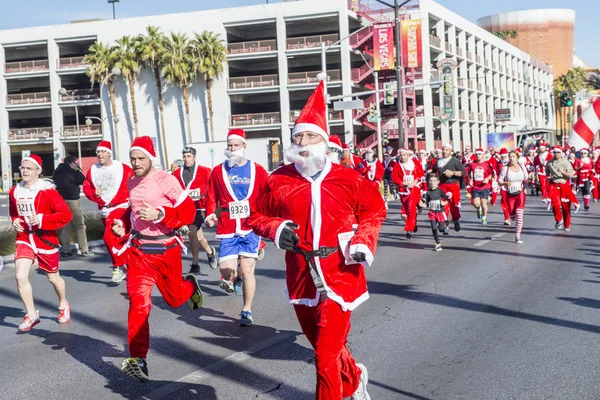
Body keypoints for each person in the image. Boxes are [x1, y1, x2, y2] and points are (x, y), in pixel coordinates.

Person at [248, 81, 386, 400]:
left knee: (323, 360)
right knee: (327, 349)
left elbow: (374, 210)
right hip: (301, 277)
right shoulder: (279, 179)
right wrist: (275, 228)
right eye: (298, 136)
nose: (303, 142)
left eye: (310, 135)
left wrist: (363, 240)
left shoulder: (348, 179)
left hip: (340, 273)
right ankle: (353, 379)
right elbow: (255, 216)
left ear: (324, 142)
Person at [116, 136, 204, 383]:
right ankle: (138, 359)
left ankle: (191, 286)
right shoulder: (131, 182)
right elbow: (130, 212)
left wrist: (161, 213)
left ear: (150, 159)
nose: (135, 163)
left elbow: (188, 212)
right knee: (139, 304)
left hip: (166, 251)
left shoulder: (166, 180)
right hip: (139, 252)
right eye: (132, 158)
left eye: (140, 158)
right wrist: (120, 224)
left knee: (175, 299)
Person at [204, 129, 268, 327]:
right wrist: (209, 213)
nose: (232, 149)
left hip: (250, 227)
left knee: (248, 270)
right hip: (228, 226)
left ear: (244, 146)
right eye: (229, 145)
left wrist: (266, 222)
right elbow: (211, 196)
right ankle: (234, 278)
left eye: (236, 145)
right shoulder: (217, 171)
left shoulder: (258, 170)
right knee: (226, 271)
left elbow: (267, 198)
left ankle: (246, 309)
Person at [9, 155, 72, 332]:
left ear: (39, 171)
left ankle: (62, 303)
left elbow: (66, 215)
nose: (24, 171)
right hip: (24, 238)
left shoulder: (48, 191)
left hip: (45, 239)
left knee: (53, 278)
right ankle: (31, 314)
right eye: (22, 168)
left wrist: (41, 219)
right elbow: (14, 213)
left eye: (29, 168)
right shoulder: (14, 191)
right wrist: (15, 221)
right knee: (20, 276)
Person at [83, 141, 133, 283]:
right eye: (98, 152)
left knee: (108, 237)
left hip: (121, 207)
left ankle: (118, 267)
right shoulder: (93, 170)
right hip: (104, 210)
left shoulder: (122, 168)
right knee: (119, 238)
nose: (100, 154)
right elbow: (87, 188)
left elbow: (135, 182)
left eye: (103, 152)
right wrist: (94, 193)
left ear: (109, 153)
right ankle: (130, 264)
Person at [173, 146, 217, 274]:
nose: (186, 159)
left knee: (192, 231)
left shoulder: (205, 171)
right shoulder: (177, 173)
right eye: (184, 156)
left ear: (194, 157)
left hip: (199, 207)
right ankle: (210, 252)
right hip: (184, 208)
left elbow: (212, 190)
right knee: (199, 236)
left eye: (189, 156)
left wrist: (211, 211)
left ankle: (195, 264)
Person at [52, 155, 91, 257]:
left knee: (65, 226)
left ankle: (65, 249)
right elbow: (83, 179)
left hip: (60, 202)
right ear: (72, 163)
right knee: (80, 225)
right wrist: (77, 170)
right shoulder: (72, 172)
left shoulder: (56, 172)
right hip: (73, 201)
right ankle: (84, 249)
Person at [431, 143, 466, 232]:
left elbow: (463, 172)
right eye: (443, 149)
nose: (444, 151)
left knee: (454, 206)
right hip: (442, 186)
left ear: (450, 151)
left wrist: (453, 173)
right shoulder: (438, 161)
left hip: (453, 185)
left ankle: (456, 219)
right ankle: (445, 224)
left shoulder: (454, 160)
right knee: (443, 205)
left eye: (447, 150)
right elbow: (434, 172)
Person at [392, 148, 424, 238]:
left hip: (414, 188)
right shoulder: (397, 165)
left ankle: (409, 229)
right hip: (403, 190)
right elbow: (394, 178)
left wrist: (414, 182)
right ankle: (414, 223)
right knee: (407, 209)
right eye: (401, 155)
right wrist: (404, 183)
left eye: (404, 155)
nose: (402, 157)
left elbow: (420, 173)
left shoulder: (414, 162)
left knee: (410, 206)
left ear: (408, 155)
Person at [498, 151, 528, 243]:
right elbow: (499, 181)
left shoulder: (522, 168)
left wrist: (530, 179)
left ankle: (517, 235)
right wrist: (506, 183)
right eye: (510, 157)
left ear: (517, 158)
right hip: (510, 194)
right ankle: (512, 215)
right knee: (512, 215)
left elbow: (526, 178)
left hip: (520, 193)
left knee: (519, 213)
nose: (511, 158)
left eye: (513, 156)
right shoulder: (505, 169)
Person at [546, 146, 578, 231]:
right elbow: (547, 173)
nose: (556, 154)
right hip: (554, 185)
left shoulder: (566, 162)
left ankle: (567, 224)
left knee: (566, 206)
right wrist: (548, 177)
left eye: (558, 152)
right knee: (555, 204)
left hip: (564, 184)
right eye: (555, 152)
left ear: (561, 153)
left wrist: (563, 172)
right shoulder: (549, 163)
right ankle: (559, 219)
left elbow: (571, 175)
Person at [419, 174, 449, 251]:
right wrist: (422, 205)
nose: (432, 183)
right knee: (434, 228)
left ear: (438, 182)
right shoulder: (428, 192)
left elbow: (447, 199)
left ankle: (445, 227)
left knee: (441, 229)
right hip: (432, 213)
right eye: (431, 181)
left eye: (434, 181)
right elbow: (427, 203)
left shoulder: (440, 191)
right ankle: (437, 243)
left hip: (440, 213)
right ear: (429, 182)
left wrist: (444, 203)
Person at [466, 148, 495, 225]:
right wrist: (471, 179)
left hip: (485, 187)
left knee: (484, 203)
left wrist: (487, 178)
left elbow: (492, 174)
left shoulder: (487, 164)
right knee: (476, 204)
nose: (478, 156)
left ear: (483, 155)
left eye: (479, 154)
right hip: (475, 187)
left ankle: (484, 218)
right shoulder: (472, 164)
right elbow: (468, 173)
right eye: (477, 154)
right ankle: (479, 209)